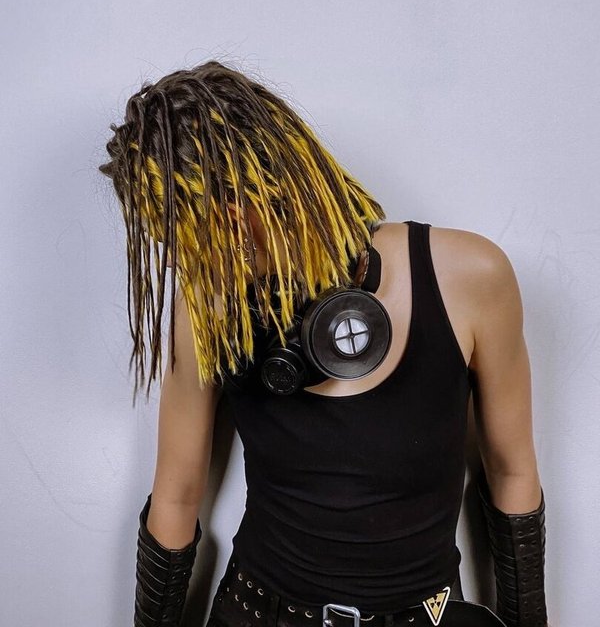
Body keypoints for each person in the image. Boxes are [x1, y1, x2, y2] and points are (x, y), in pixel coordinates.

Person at [98, 60, 549, 627]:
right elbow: (176, 495)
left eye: (191, 238)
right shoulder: (209, 305)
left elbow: (511, 473)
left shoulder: (471, 277)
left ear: (237, 214)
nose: (181, 263)